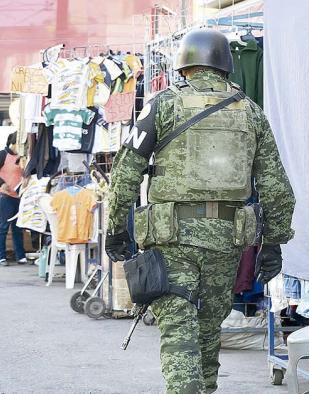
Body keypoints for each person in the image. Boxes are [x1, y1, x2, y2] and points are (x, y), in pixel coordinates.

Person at [105, 28, 295, 393]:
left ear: (184, 64)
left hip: (171, 237)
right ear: (226, 65)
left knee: (179, 330)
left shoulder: (162, 105)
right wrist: (273, 244)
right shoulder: (251, 112)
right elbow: (276, 188)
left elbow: (126, 170)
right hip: (226, 242)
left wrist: (116, 228)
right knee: (208, 331)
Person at [0, 132, 26, 266]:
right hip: (5, 196)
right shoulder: (3, 154)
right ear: (14, 143)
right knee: (3, 227)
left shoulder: (23, 157)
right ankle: (1, 256)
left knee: (18, 227)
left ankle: (20, 256)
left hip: (19, 196)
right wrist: (2, 183)